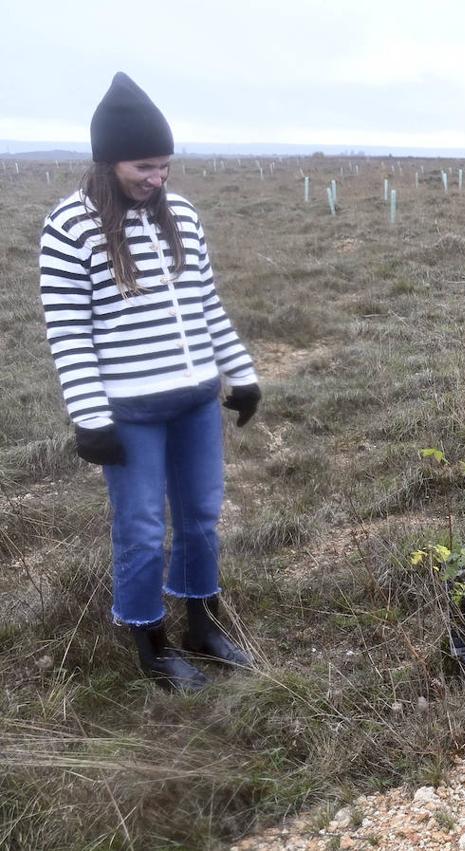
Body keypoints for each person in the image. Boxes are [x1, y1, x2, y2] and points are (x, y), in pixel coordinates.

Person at [39, 72, 261, 691]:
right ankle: (150, 641)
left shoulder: (182, 217)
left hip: (194, 403)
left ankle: (201, 626)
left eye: (164, 165)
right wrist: (90, 417)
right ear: (108, 161)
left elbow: (206, 306)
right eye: (144, 166)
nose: (157, 178)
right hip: (129, 414)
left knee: (201, 518)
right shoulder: (70, 228)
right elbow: (68, 332)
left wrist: (239, 376)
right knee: (139, 527)